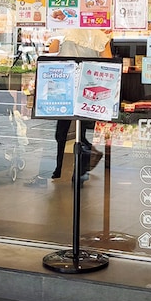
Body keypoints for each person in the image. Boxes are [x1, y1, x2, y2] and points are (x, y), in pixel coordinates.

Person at [25, 28, 111, 187]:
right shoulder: (99, 35)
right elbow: (108, 62)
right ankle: (78, 169)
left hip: (65, 87)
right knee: (79, 131)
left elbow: (52, 52)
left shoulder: (62, 32)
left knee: (63, 132)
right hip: (87, 87)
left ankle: (64, 168)